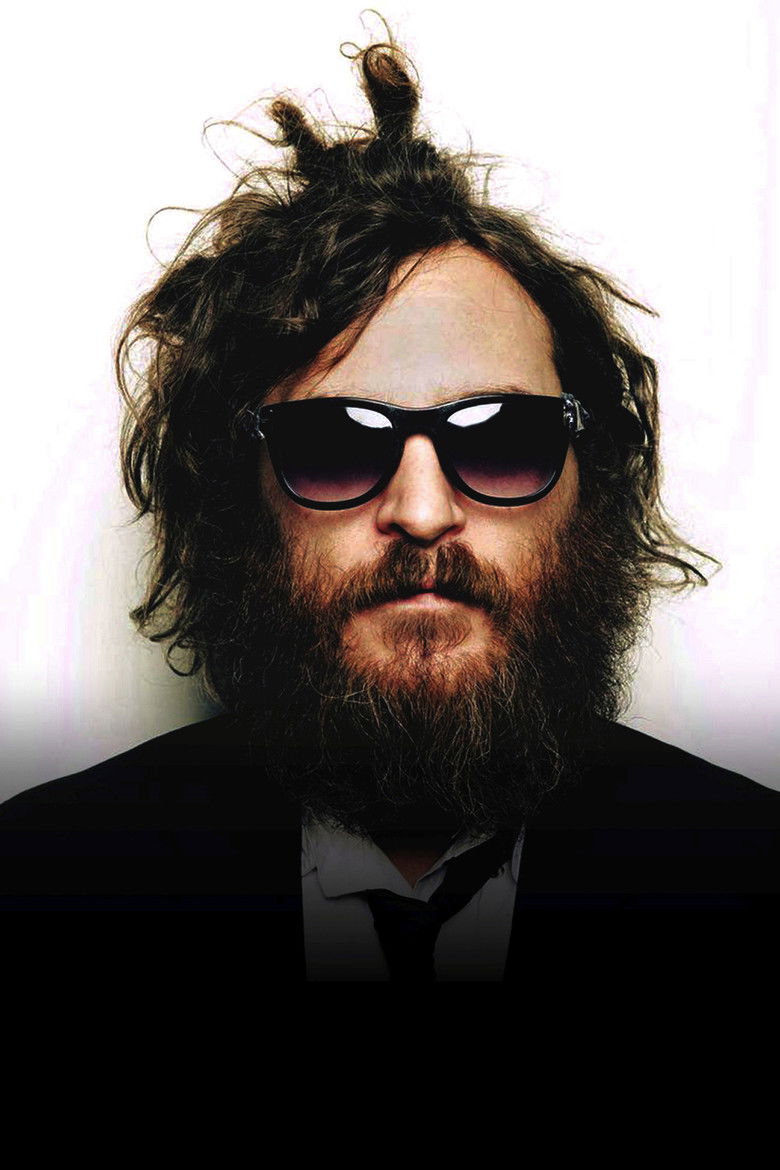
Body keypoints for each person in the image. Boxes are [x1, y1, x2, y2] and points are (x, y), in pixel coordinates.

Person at [1, 32, 778, 970]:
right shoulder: (42, 879)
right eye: (333, 446)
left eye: (503, 438)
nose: (422, 510)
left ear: (592, 489)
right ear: (235, 505)